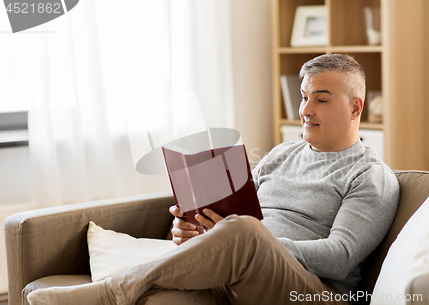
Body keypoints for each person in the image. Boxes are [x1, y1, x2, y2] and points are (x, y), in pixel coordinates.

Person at [27, 54, 399, 305]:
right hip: (238, 269)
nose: (304, 110)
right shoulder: (281, 154)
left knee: (246, 230)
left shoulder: (371, 176)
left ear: (355, 106)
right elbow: (237, 213)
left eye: (321, 99)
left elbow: (340, 258)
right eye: (303, 97)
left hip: (311, 290)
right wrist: (199, 229)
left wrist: (253, 238)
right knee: (160, 298)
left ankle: (113, 290)